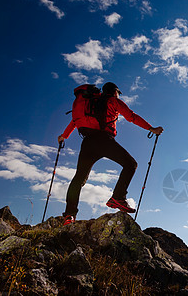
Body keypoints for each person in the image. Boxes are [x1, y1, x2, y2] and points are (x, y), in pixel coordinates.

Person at [58, 82, 163, 225]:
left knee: (79, 178)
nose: (118, 95)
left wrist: (64, 136)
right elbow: (132, 117)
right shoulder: (113, 101)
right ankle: (118, 197)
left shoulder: (91, 103)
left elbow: (74, 122)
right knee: (130, 164)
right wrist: (152, 129)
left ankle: (69, 215)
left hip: (88, 142)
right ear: (115, 92)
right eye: (118, 93)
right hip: (104, 140)